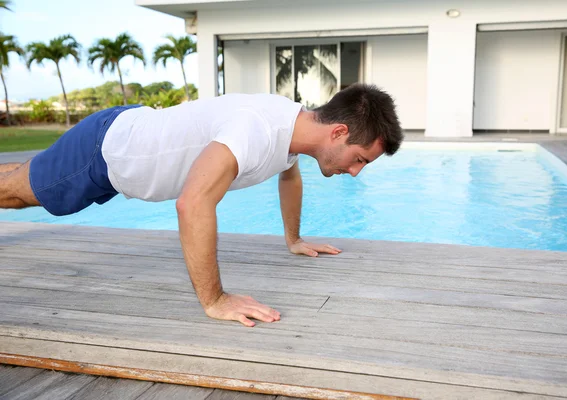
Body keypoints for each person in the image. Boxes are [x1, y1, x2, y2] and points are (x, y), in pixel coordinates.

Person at [0, 83, 403, 327]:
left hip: (126, 137)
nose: (355, 172)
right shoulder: (257, 129)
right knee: (16, 194)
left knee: (24, 177)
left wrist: (293, 239)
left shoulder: (294, 129)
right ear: (338, 132)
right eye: (360, 159)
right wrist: (215, 300)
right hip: (106, 153)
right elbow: (192, 203)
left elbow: (289, 174)